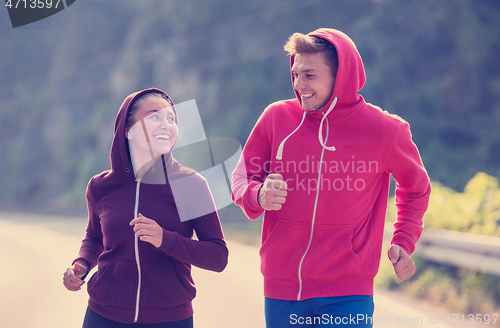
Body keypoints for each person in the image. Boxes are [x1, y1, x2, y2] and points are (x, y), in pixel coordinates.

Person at [231, 28, 431, 327]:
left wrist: (403, 238)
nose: (299, 85)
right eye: (295, 74)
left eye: (309, 75)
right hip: (283, 289)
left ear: (341, 76)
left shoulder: (385, 131)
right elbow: (241, 178)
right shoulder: (277, 118)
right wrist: (258, 195)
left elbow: (416, 187)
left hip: (348, 291)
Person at [63, 88, 228, 327]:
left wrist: (165, 240)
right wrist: (82, 264)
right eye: (154, 117)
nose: (166, 125)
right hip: (103, 314)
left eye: (171, 119)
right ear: (128, 130)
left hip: (170, 318)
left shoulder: (190, 184)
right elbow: (94, 237)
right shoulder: (100, 186)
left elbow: (218, 256)